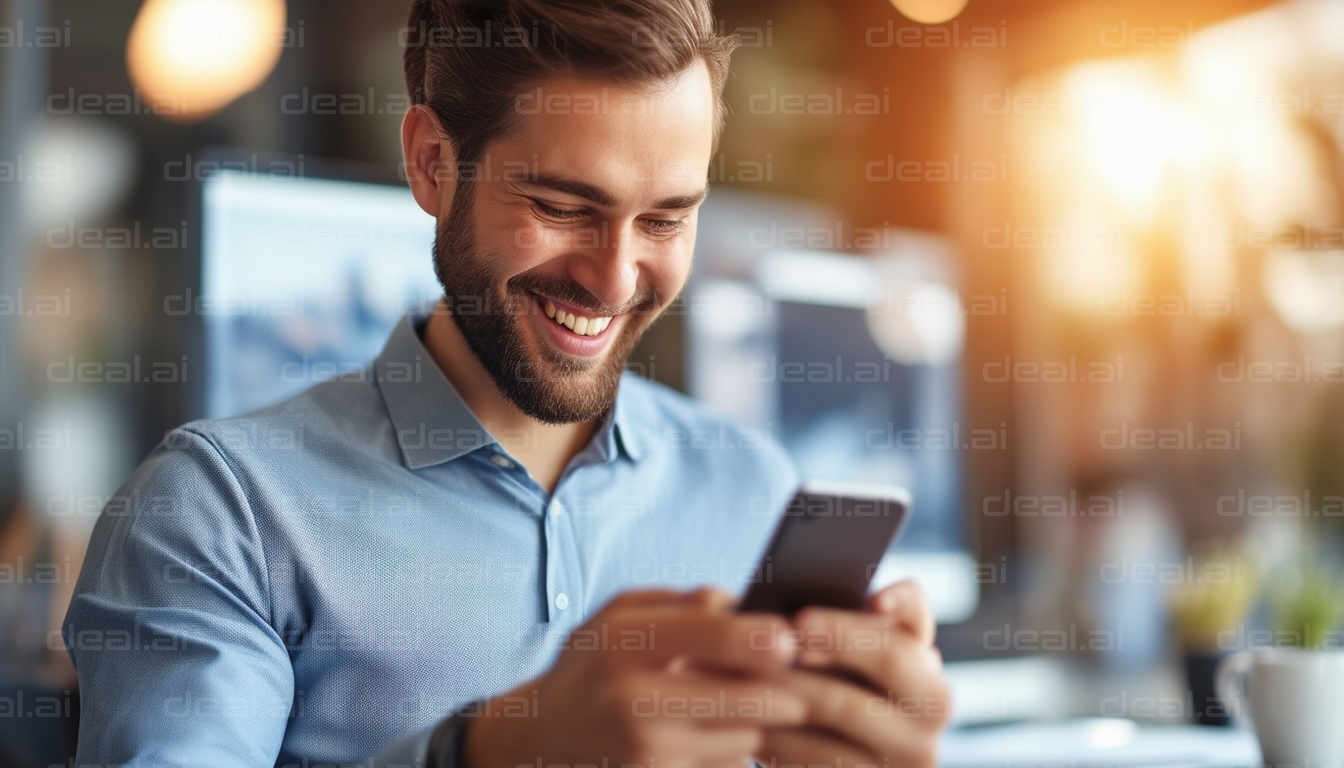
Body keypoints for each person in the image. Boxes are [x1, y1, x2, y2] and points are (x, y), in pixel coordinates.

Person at [63, 1, 951, 766]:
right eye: (563, 208)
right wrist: (489, 754)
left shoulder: (751, 488)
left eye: (666, 219)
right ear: (432, 165)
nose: (613, 280)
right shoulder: (219, 516)